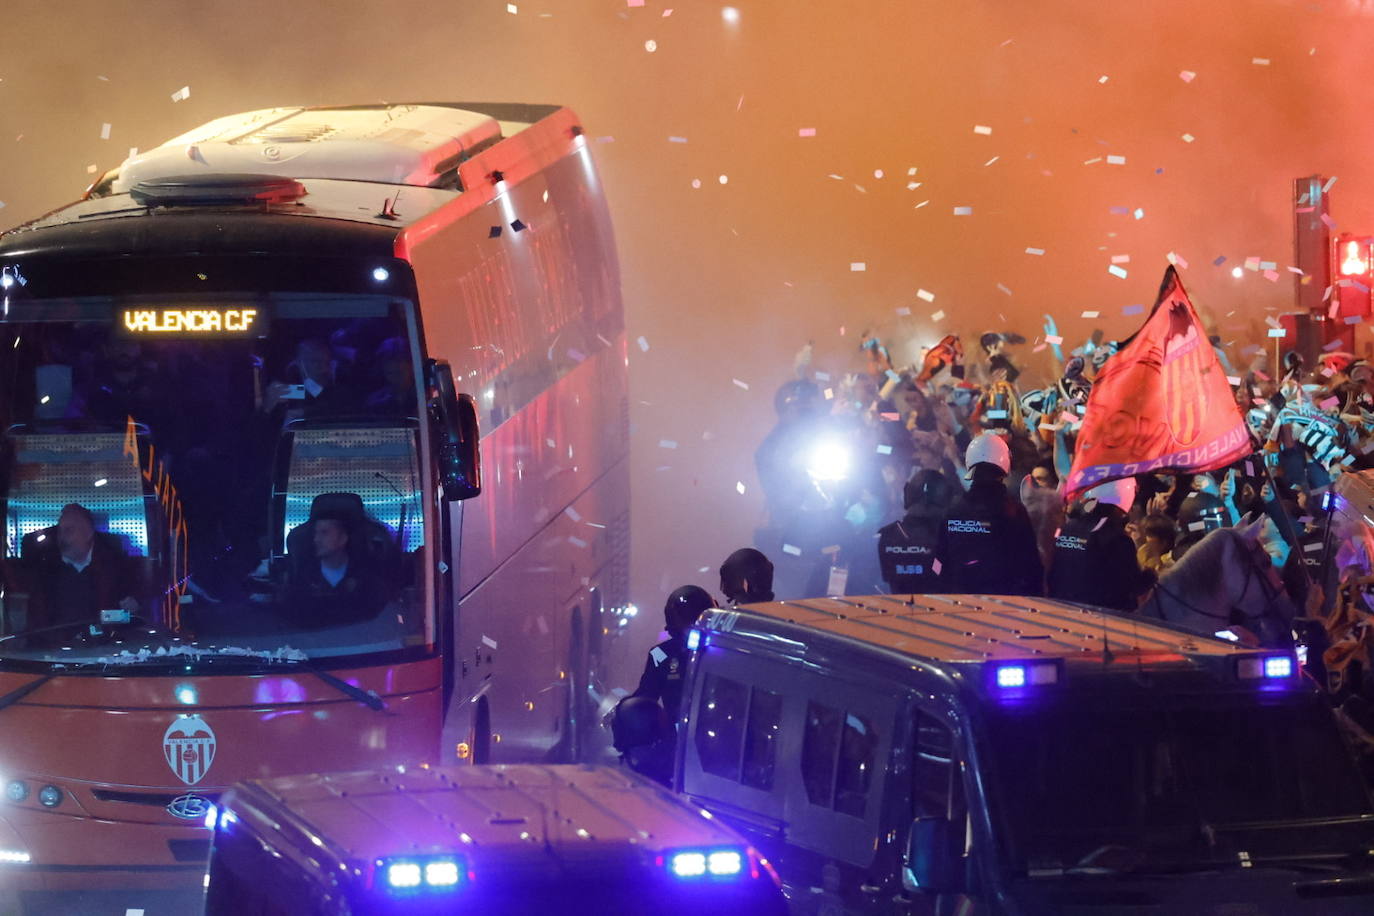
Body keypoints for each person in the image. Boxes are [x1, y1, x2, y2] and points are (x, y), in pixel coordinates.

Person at [938, 433, 1043, 596]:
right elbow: (1031, 566)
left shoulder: (952, 510)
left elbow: (939, 562)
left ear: (969, 464)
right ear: (1005, 464)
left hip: (959, 603)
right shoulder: (1014, 511)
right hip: (1004, 607)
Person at [22, 503, 141, 628]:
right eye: (60, 531)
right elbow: (37, 624)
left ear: (88, 533)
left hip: (108, 644)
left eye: (69, 530)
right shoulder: (44, 572)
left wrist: (134, 606)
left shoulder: (119, 570)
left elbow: (135, 613)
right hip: (55, 644)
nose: (62, 538)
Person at [1048, 478, 1153, 611]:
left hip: (1059, 607)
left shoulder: (1066, 528)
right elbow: (1132, 586)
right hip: (1101, 617)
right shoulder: (1116, 538)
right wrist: (1151, 575)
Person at [286, 511, 389, 628]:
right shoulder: (301, 581)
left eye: (324, 533)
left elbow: (379, 625)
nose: (316, 539)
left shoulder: (368, 581)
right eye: (315, 533)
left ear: (343, 538)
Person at [631, 585, 716, 723]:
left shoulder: (726, 652)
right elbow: (646, 695)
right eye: (687, 619)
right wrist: (625, 710)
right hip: (678, 737)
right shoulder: (660, 654)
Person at [877, 469, 950, 595]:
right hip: (942, 608)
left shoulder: (887, 535)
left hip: (893, 607)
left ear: (908, 495)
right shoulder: (948, 535)